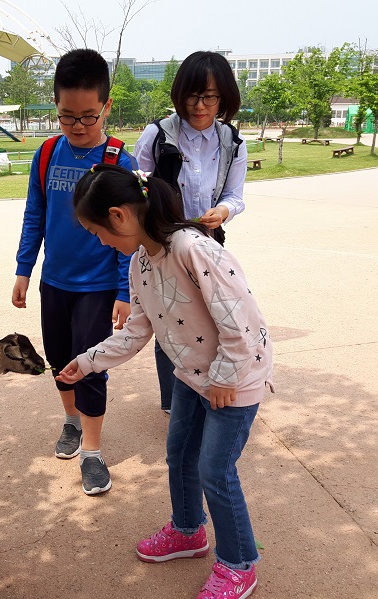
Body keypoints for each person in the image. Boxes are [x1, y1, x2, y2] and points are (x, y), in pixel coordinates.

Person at [57, 164, 273, 598]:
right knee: (178, 456)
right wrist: (87, 362)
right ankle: (189, 531)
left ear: (119, 215)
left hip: (235, 378)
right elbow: (137, 331)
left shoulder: (193, 248)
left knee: (215, 469)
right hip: (192, 378)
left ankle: (239, 564)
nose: (99, 241)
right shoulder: (140, 263)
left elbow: (240, 319)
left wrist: (226, 377)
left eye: (97, 231)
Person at [11, 49, 137, 496]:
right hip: (54, 282)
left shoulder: (119, 159)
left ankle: (93, 451)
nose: (78, 126)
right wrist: (24, 268)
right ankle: (71, 421)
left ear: (105, 106)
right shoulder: (47, 153)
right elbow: (35, 214)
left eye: (88, 116)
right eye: (66, 116)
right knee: (60, 358)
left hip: (99, 287)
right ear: (55, 107)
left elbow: (129, 228)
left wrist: (124, 290)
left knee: (92, 365)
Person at [133, 51, 247, 413]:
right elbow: (138, 188)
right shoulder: (157, 135)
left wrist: (224, 210)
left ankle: (210, 386)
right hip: (164, 246)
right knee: (168, 322)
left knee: (213, 315)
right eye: (192, 96)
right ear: (179, 95)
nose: (200, 106)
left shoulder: (231, 142)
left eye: (210, 97)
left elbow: (235, 195)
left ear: (223, 98)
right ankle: (174, 402)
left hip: (207, 247)